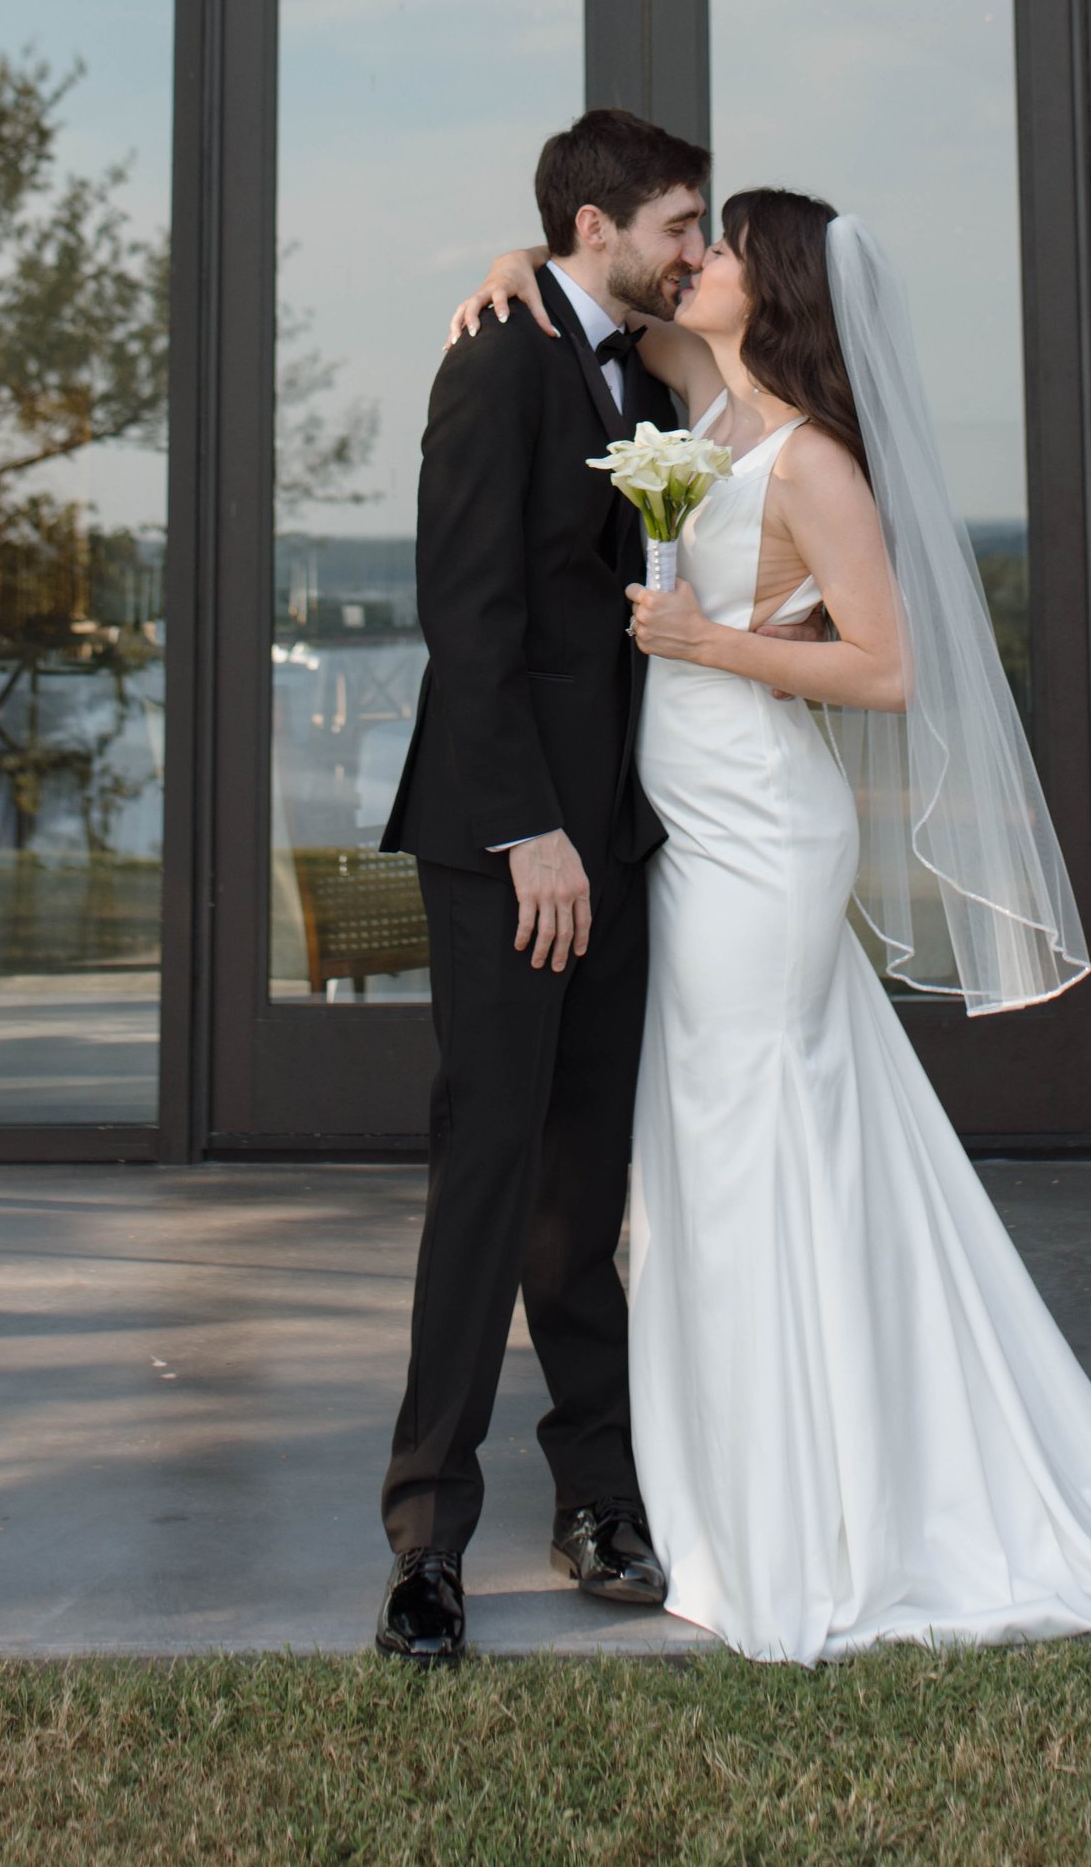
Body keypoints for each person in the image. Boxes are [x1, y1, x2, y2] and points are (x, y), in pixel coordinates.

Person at [445, 184, 1091, 1664]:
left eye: (717, 250)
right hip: (688, 829)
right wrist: (513, 261)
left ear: (769, 291)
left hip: (764, 837)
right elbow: (605, 298)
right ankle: (726, 1468)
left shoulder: (813, 460)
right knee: (705, 1138)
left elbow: (889, 668)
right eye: (685, 242)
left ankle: (811, 1498)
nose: (690, 261)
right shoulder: (696, 401)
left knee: (751, 1127)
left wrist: (711, 643)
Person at [373, 105, 711, 1665]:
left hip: (619, 840)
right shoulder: (497, 357)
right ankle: (429, 1541)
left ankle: (598, 1501)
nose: (694, 252)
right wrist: (527, 832)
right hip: (511, 846)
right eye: (678, 226)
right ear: (600, 230)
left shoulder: (634, 364)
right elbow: (468, 606)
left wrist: (599, 833)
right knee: (490, 1172)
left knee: (588, 1185)